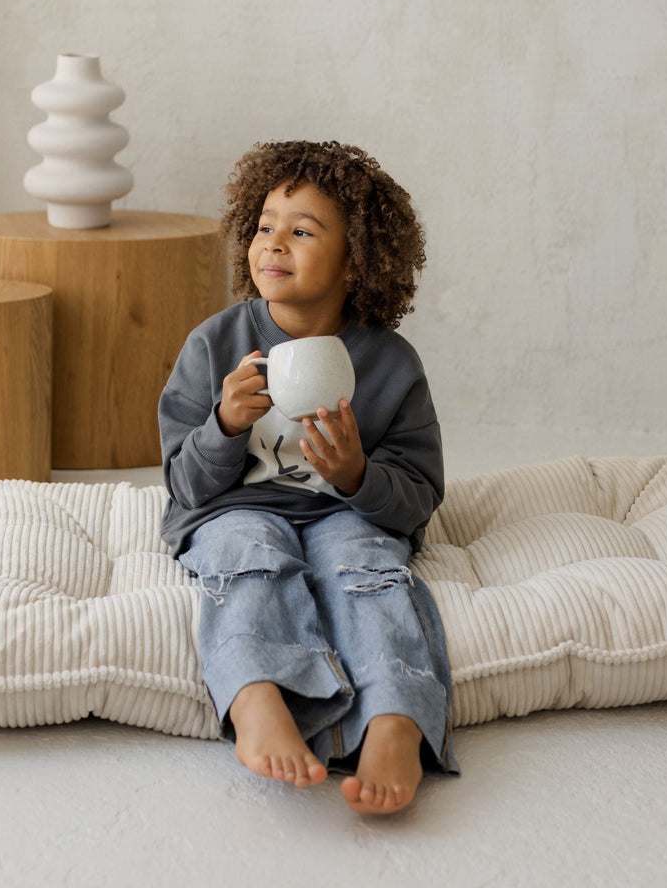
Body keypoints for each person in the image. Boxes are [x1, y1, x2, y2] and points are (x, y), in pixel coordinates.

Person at [158, 140, 456, 815]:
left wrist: (357, 476)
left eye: (301, 231)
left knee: (369, 568)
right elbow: (184, 485)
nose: (273, 244)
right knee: (247, 555)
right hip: (233, 508)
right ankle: (256, 693)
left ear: (357, 262)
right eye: (265, 227)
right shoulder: (215, 345)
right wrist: (224, 427)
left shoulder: (390, 364)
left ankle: (396, 720)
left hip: (345, 516)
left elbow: (415, 500)